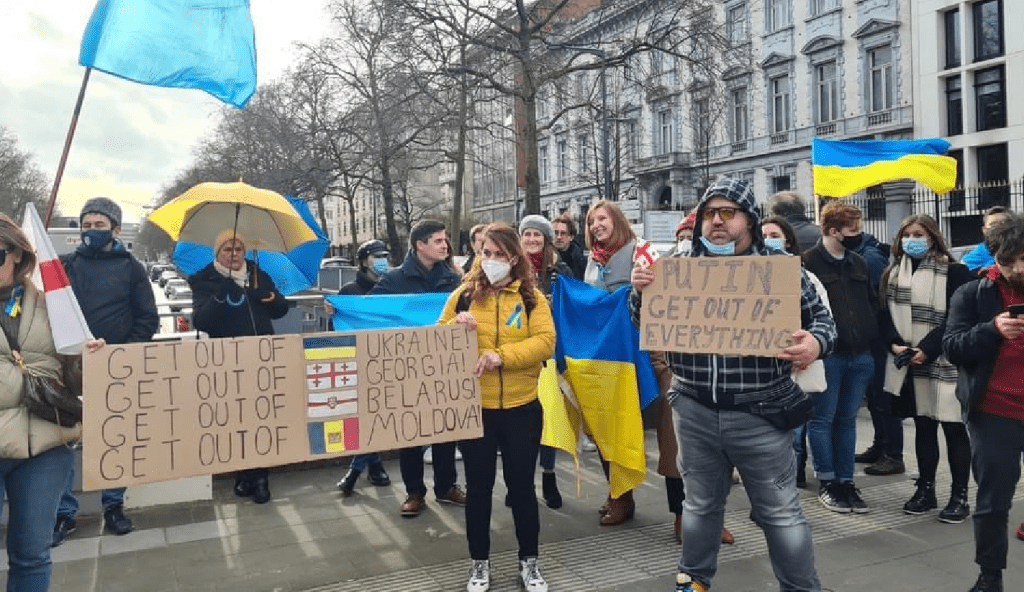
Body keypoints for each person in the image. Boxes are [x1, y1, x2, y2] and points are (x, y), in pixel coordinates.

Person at [630, 177, 836, 592]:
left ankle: (801, 587)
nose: (717, 222)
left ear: (750, 220)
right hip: (695, 411)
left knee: (779, 512)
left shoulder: (779, 270)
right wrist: (640, 293)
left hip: (760, 413)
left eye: (728, 213)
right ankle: (694, 581)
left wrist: (815, 343)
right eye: (710, 213)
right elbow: (645, 320)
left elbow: (823, 322)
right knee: (700, 506)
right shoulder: (678, 264)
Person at [441, 223, 555, 592]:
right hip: (477, 409)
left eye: (500, 255)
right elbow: (436, 343)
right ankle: (479, 563)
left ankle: (529, 562)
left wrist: (500, 356)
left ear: (514, 258)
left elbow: (545, 342)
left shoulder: (531, 297)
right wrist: (456, 328)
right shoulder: (462, 296)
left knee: (522, 488)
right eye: (485, 253)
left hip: (522, 408)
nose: (491, 261)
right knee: (478, 488)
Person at [0, 212, 100, 590]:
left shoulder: (52, 304)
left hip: (45, 446)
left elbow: (71, 381)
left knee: (32, 554)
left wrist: (86, 359)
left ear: (17, 256)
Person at [53, 197, 160, 546]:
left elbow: (148, 318)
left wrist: (122, 353)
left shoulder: (131, 268)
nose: (91, 231)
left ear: (115, 229)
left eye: (99, 226)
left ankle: (113, 505)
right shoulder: (65, 266)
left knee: (115, 438)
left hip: (115, 368)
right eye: (86, 225)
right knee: (64, 440)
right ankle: (63, 512)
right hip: (68, 367)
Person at [944, 214, 1024, 592]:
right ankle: (989, 576)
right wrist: (992, 330)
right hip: (995, 413)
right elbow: (952, 348)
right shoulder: (973, 293)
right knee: (993, 503)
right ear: (995, 259)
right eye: (1008, 261)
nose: (1018, 268)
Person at [879, 215, 973, 523]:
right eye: (906, 234)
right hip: (907, 361)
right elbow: (884, 315)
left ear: (932, 237)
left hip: (945, 360)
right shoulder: (893, 273)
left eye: (918, 234)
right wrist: (894, 344)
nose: (911, 240)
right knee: (923, 427)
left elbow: (959, 318)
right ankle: (926, 489)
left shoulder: (956, 271)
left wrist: (928, 350)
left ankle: (960, 495)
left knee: (953, 427)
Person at [370, 219, 466, 517]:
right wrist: (340, 308)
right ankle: (414, 492)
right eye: (438, 241)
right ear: (420, 246)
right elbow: (370, 312)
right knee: (409, 431)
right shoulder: (394, 281)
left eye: (444, 240)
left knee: (445, 428)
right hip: (408, 368)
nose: (445, 246)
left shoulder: (453, 279)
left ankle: (446, 486)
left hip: (444, 366)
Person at [189, 230, 289, 504]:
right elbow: (203, 320)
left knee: (261, 418)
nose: (233, 254)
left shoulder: (257, 273)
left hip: (262, 357)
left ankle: (260, 478)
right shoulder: (204, 280)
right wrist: (225, 290)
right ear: (217, 253)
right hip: (228, 361)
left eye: (238, 249)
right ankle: (243, 474)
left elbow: (281, 309)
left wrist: (266, 296)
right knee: (236, 420)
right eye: (227, 249)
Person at [802, 202, 878, 514]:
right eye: (853, 231)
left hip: (860, 356)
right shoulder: (807, 264)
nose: (859, 236)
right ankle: (828, 481)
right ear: (834, 232)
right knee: (822, 419)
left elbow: (871, 304)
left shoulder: (857, 262)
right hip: (829, 356)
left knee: (847, 420)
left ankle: (846, 481)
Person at [583, 199, 643, 525]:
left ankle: (624, 495)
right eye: (591, 222)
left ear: (616, 220)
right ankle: (617, 492)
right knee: (604, 427)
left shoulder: (639, 252)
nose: (596, 226)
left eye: (601, 219)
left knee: (624, 426)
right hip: (600, 356)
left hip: (631, 355)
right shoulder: (592, 261)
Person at [762, 215, 832, 489]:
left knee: (795, 433)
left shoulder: (807, 277)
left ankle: (793, 484)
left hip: (797, 367)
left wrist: (808, 345)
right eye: (763, 235)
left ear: (787, 240)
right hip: (764, 374)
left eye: (774, 235)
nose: (768, 240)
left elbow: (823, 319)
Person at [330, 239, 392, 495]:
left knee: (373, 415)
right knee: (365, 415)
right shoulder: (350, 290)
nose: (382, 260)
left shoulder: (392, 287)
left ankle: (359, 470)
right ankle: (370, 464)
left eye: (385, 255)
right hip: (359, 361)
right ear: (364, 260)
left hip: (386, 360)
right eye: (376, 256)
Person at [519, 214, 572, 509]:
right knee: (521, 422)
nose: (532, 240)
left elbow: (574, 302)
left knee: (549, 416)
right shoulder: (510, 269)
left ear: (547, 240)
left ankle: (549, 475)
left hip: (551, 353)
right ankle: (521, 483)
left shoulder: (559, 268)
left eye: (538, 236)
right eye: (527, 235)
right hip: (520, 353)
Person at [961, 206, 1011, 272]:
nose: (999, 228)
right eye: (993, 225)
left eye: (1004, 223)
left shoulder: (1020, 249)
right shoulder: (973, 257)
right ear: (984, 230)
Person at [552, 214, 586, 280]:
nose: (559, 237)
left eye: (563, 233)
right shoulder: (545, 258)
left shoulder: (580, 262)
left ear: (571, 237)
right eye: (556, 233)